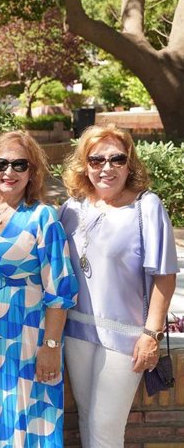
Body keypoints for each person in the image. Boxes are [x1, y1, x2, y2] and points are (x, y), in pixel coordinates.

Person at [0, 131, 78, 447]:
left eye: (20, 165)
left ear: (32, 171)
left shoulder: (42, 217)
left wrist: (50, 345)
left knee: (23, 415)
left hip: (26, 334)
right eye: (1, 164)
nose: (9, 173)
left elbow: (59, 290)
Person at [58, 125, 177, 448]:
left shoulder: (146, 207)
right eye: (96, 160)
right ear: (85, 165)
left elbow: (165, 277)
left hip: (125, 336)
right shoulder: (71, 208)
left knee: (105, 427)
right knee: (87, 418)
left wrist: (151, 334)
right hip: (77, 332)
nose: (106, 168)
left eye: (116, 159)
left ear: (130, 163)